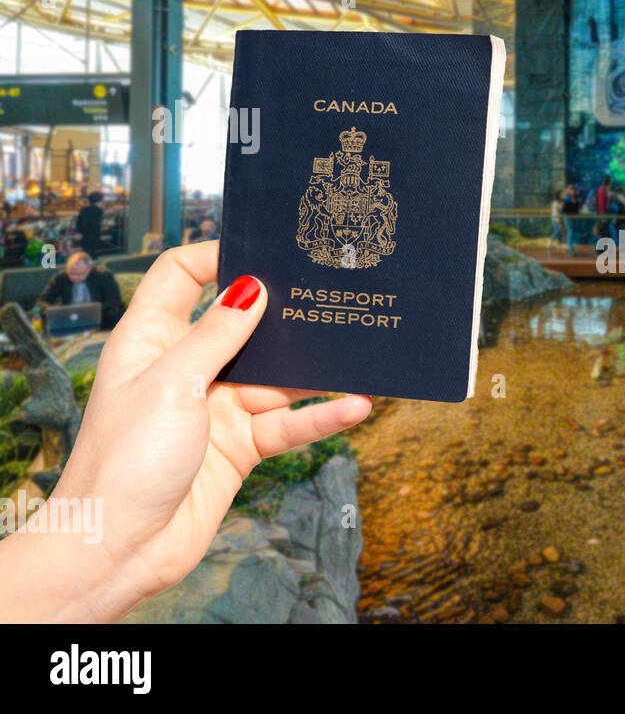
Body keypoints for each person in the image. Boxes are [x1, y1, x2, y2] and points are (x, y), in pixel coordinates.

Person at [0, 242, 372, 622]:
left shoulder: (105, 280)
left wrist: (108, 556)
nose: (76, 276)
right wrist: (109, 554)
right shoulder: (60, 285)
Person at [36, 251, 125, 330]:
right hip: (69, 316)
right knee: (43, 315)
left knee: (114, 314)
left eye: (80, 274)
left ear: (90, 269)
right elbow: (42, 301)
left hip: (99, 315)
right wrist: (54, 310)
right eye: (71, 273)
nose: (75, 277)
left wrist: (91, 309)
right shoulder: (61, 277)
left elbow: (115, 300)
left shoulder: (103, 275)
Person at [75, 192, 105, 258]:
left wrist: (79, 232)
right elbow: (96, 225)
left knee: (86, 253)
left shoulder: (83, 209)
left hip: (84, 236)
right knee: (92, 253)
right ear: (99, 201)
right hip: (93, 235)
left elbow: (78, 222)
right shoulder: (99, 211)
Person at [561, 184, 581, 255]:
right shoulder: (567, 199)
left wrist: (577, 202)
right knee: (570, 231)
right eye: (571, 190)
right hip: (568, 217)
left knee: (571, 231)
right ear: (568, 191)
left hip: (573, 217)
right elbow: (565, 209)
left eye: (574, 190)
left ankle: (570, 247)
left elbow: (576, 209)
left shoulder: (574, 198)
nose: (573, 191)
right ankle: (569, 248)